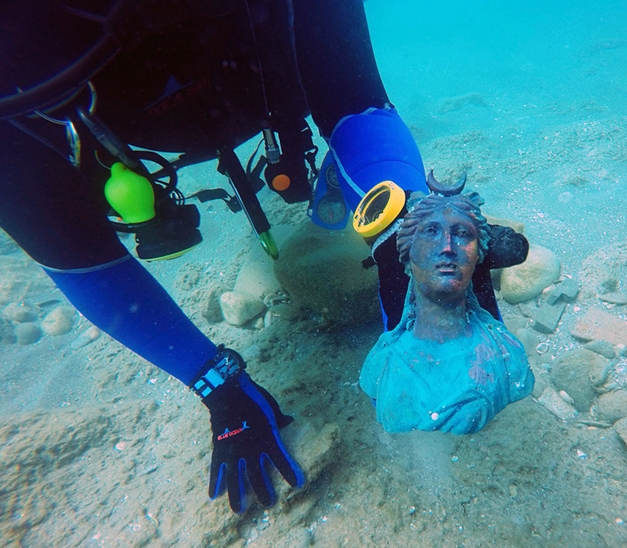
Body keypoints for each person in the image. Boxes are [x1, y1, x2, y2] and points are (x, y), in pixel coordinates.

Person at [0, 0, 528, 513]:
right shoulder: (14, 49)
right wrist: (214, 382)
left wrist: (404, 231)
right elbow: (73, 253)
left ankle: (340, 203)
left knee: (347, 181)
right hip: (95, 111)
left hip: (257, 71)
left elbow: (354, 102)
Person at [360, 181, 534, 434]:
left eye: (462, 234)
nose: (447, 247)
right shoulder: (384, 365)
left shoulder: (509, 359)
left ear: (478, 254)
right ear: (407, 252)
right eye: (431, 231)